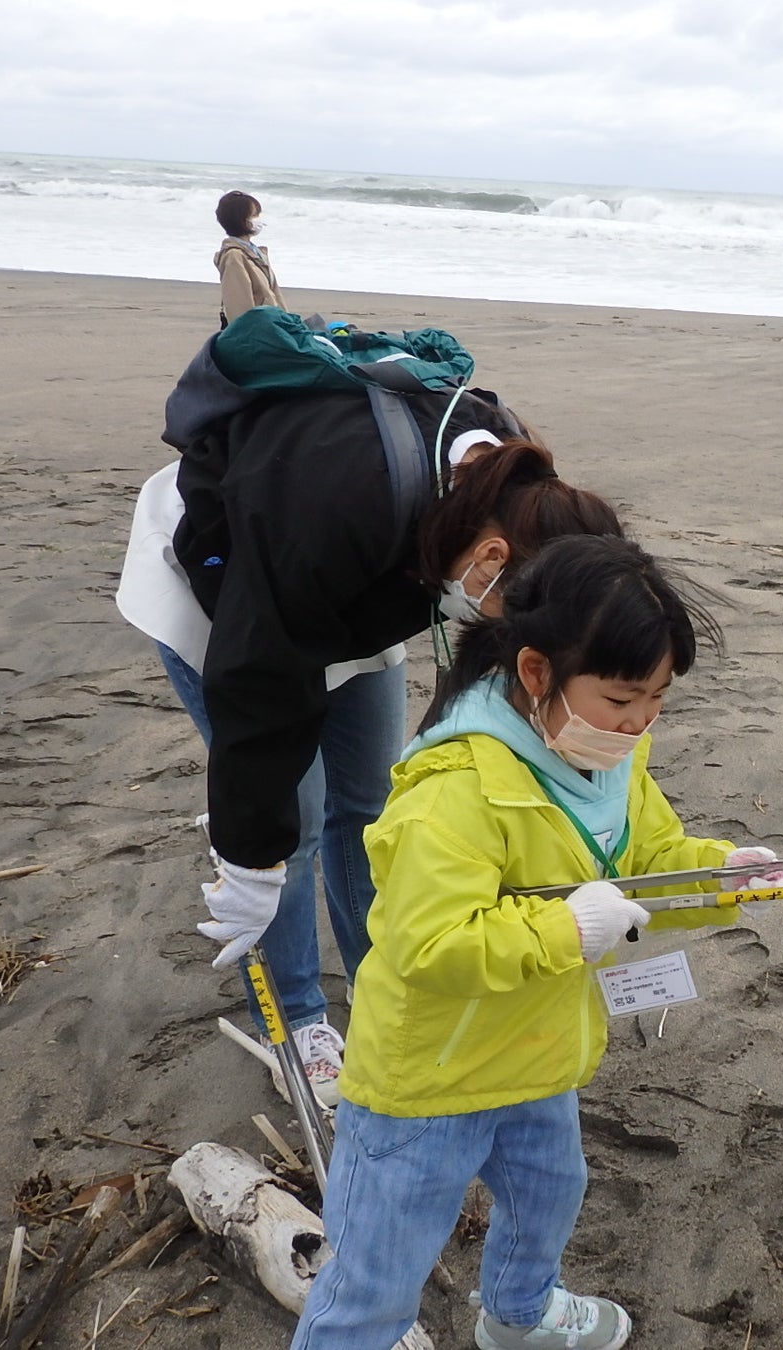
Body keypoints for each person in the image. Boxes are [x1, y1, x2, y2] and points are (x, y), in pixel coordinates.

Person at [291, 534, 783, 1350]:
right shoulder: (455, 788)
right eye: (624, 698)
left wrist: (721, 875)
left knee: (548, 1194)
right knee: (377, 1270)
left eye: (658, 699)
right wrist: (570, 927)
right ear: (535, 672)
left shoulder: (609, 756)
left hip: (537, 1049)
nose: (639, 722)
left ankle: (520, 1317)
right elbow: (429, 944)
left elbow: (647, 860)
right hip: (430, 1080)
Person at [118, 339, 620, 1104]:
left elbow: (498, 664)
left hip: (361, 592)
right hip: (225, 586)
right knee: (296, 816)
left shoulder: (518, 504)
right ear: (489, 559)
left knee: (371, 803)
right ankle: (297, 1020)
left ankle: (383, 981)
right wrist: (250, 856)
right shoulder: (340, 499)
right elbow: (260, 684)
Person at [214, 190, 286, 327]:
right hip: (260, 331)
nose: (259, 219)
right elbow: (239, 304)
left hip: (274, 325)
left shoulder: (256, 252)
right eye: (254, 215)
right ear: (242, 220)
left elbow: (274, 294)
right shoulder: (234, 256)